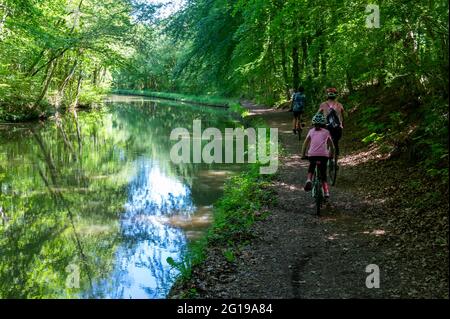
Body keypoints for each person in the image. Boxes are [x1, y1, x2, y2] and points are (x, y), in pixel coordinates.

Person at [301, 112, 335, 198]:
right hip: (324, 155)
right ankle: (326, 191)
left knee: (312, 166)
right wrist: (331, 155)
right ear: (323, 123)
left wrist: (303, 154)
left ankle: (309, 179)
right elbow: (332, 146)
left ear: (313, 123)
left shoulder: (311, 131)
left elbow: (305, 144)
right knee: (323, 173)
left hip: (312, 154)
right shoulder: (326, 132)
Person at [318, 87, 344, 161]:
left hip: (326, 128)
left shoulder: (323, 104)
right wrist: (342, 125)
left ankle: (326, 158)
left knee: (326, 142)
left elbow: (317, 115)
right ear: (336, 95)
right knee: (335, 142)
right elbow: (343, 117)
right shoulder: (340, 105)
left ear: (327, 95)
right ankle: (335, 162)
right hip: (338, 128)